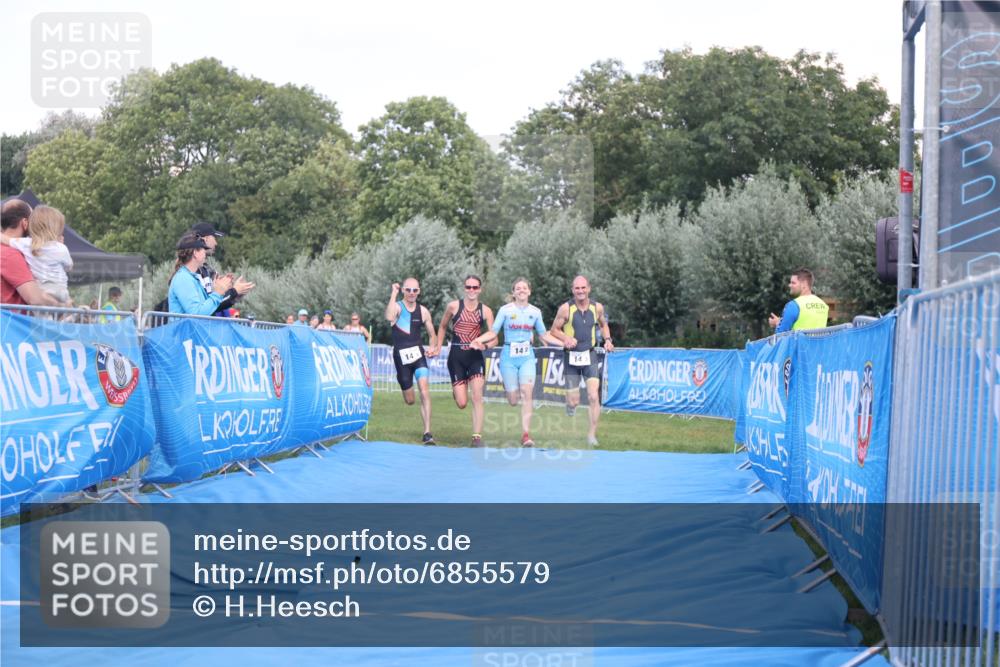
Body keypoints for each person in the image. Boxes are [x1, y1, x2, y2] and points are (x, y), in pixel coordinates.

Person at [470, 278, 561, 447]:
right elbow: (493, 332)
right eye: (518, 288)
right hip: (508, 357)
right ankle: (511, 390)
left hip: (527, 357)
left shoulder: (536, 312)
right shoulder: (505, 311)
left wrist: (564, 343)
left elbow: (544, 335)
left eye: (524, 288)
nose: (521, 290)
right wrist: (478, 340)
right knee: (513, 400)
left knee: (527, 394)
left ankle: (526, 435)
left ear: (529, 291)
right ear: (513, 292)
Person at [549, 275, 614, 447]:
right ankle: (570, 405)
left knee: (593, 396)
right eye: (577, 288)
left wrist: (607, 340)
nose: (580, 291)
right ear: (573, 290)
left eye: (583, 288)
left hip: (590, 356)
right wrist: (566, 338)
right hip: (571, 356)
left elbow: (603, 324)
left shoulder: (597, 308)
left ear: (589, 289)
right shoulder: (565, 309)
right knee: (574, 400)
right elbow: (554, 330)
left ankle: (591, 435)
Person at [435, 274, 495, 447]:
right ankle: (457, 391)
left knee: (477, 397)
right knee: (462, 403)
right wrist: (438, 346)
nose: (471, 290)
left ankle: (476, 437)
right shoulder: (453, 306)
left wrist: (483, 346)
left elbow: (494, 338)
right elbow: (443, 326)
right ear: (464, 288)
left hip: (475, 357)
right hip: (456, 357)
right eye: (468, 287)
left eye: (475, 287)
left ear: (480, 289)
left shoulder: (486, 311)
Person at [385, 278, 439, 445]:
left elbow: (432, 334)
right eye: (408, 290)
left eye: (415, 290)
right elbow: (389, 316)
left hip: (418, 356)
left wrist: (432, 347)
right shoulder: (398, 307)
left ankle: (427, 432)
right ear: (403, 290)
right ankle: (406, 385)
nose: (411, 293)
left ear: (419, 291)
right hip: (401, 358)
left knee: (424, 390)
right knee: (410, 400)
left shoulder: (423, 311)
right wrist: (393, 294)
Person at [0, 199, 64, 307]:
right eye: (33, 222)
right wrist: (62, 306)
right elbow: (35, 299)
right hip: (13, 322)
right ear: (25, 223)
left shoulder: (8, 250)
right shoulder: (10, 254)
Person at [190, 222, 254, 315]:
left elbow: (214, 303)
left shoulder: (206, 269)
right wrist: (234, 292)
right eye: (214, 238)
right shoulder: (191, 271)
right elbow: (208, 306)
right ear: (206, 239)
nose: (216, 243)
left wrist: (229, 291)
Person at [167, 232, 233, 315]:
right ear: (195, 253)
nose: (205, 253)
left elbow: (203, 308)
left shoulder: (191, 277)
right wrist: (217, 293)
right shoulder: (183, 279)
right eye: (203, 249)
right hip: (185, 328)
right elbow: (196, 313)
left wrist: (217, 288)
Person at [768, 268, 829, 333]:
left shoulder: (794, 305)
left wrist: (777, 324)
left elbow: (781, 334)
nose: (789, 285)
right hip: (818, 343)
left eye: (793, 283)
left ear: (804, 284)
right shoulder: (823, 305)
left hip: (799, 343)